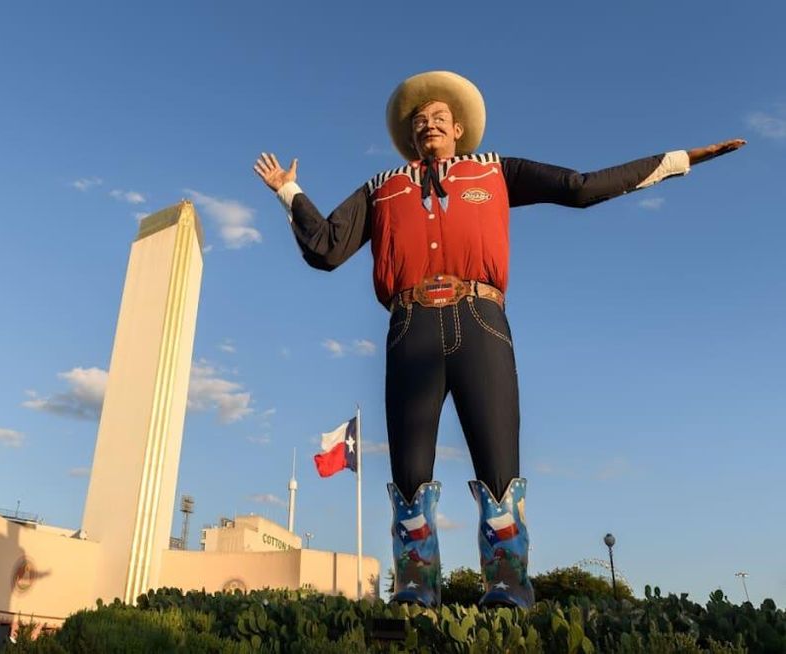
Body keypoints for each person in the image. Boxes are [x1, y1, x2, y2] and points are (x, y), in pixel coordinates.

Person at [254, 71, 744, 608]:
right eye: (420, 120)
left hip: (481, 321)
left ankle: (508, 587)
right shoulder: (383, 186)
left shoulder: (496, 171)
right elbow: (325, 248)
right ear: (410, 136)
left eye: (440, 117)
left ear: (460, 129)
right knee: (410, 469)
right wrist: (288, 191)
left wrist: (678, 161)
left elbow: (578, 188)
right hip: (409, 327)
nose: (429, 124)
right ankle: (417, 587)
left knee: (498, 461)